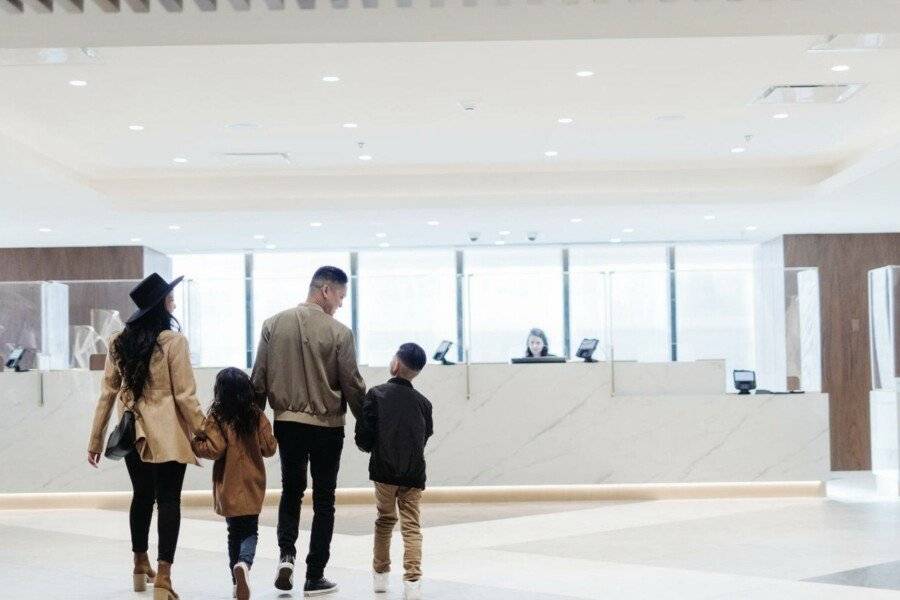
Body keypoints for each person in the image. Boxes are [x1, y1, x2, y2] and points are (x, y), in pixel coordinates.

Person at [87, 273, 205, 600]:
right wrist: (206, 432)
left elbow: (107, 394)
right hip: (168, 433)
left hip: (132, 431)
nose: (175, 303)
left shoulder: (119, 342)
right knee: (168, 500)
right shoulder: (174, 342)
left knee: (142, 496)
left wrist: (96, 441)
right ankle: (164, 577)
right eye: (170, 298)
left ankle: (140, 564)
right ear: (161, 305)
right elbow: (185, 396)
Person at [251, 265, 367, 596]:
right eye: (341, 296)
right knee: (324, 500)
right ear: (326, 290)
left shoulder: (273, 324)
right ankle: (314, 575)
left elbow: (258, 378)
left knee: (291, 491)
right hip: (328, 427)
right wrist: (366, 423)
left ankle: (287, 555)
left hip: (288, 423)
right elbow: (352, 384)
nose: (341, 304)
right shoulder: (340, 333)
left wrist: (253, 420)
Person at [355, 343, 434, 600]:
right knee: (411, 526)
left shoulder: (376, 395)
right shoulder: (424, 403)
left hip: (384, 471)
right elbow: (425, 435)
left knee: (385, 520)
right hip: (413, 473)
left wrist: (373, 447)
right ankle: (412, 582)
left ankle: (380, 577)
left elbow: (364, 437)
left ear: (395, 365)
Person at [191, 367, 278, 600]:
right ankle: (244, 565)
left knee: (233, 532)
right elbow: (269, 448)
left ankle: (235, 581)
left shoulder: (216, 417)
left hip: (228, 484)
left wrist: (195, 445)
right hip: (252, 482)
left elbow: (215, 448)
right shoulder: (256, 415)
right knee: (250, 530)